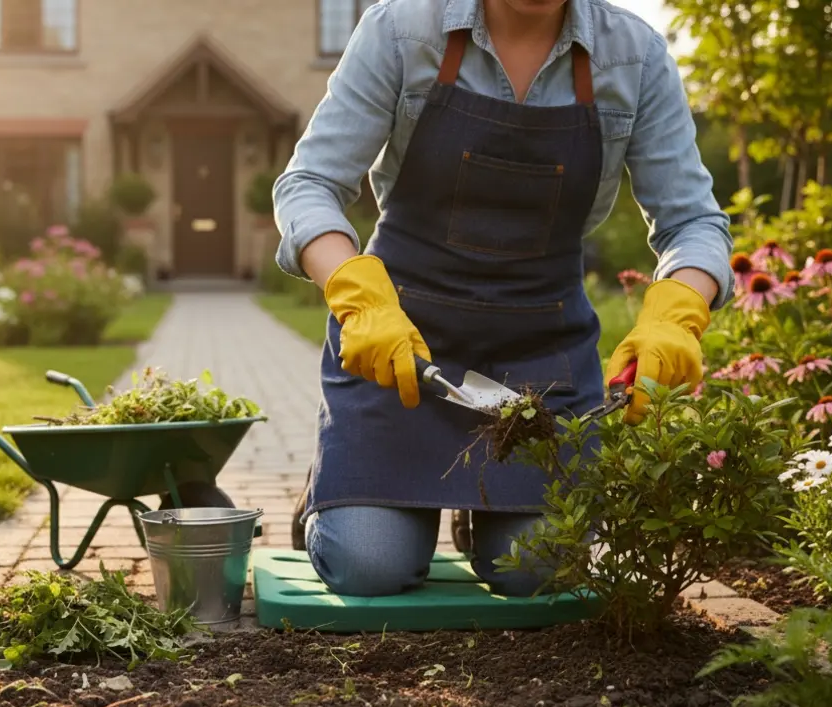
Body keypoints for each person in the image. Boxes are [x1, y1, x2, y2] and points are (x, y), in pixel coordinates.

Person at [272, 0, 733, 598]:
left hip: (540, 351)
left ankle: (479, 513)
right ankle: (332, 494)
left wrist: (677, 312)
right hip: (404, 347)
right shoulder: (400, 31)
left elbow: (695, 220)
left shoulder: (635, 57)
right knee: (370, 565)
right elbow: (309, 183)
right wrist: (357, 296)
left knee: (537, 567)